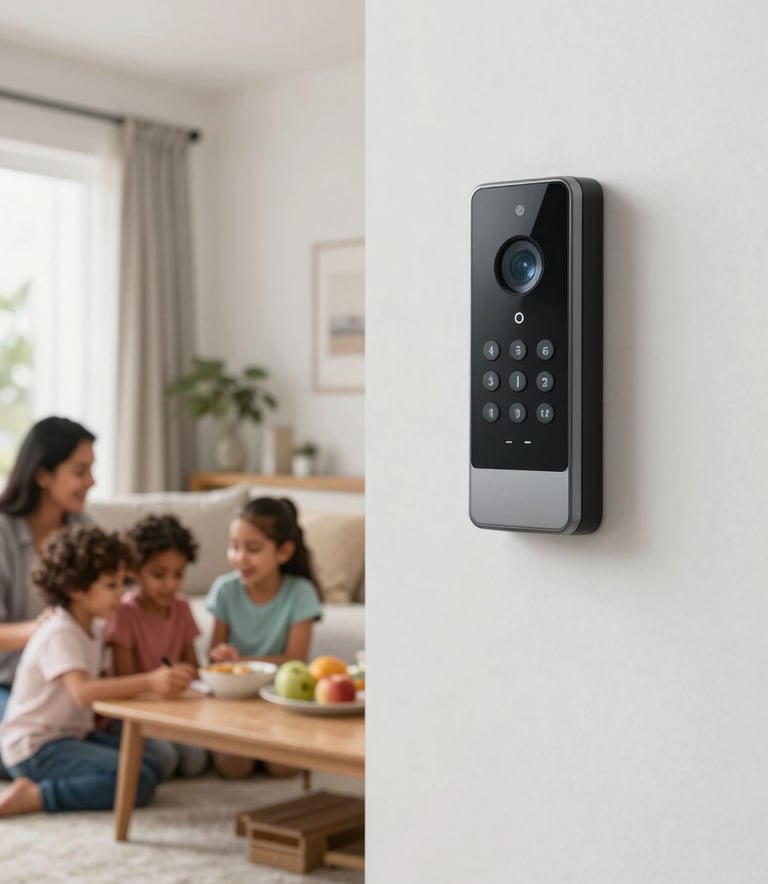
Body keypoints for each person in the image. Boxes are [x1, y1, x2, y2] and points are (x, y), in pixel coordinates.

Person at [0, 524, 195, 817]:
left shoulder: (95, 628)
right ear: (75, 589)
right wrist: (150, 681)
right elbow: (83, 693)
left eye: (121, 583)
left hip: (69, 737)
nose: (120, 594)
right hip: (36, 747)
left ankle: (54, 781)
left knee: (151, 763)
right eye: (110, 585)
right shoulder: (60, 631)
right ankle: (38, 796)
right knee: (138, 781)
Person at [0, 416, 97, 774]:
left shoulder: (83, 529)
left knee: (155, 755)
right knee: (20, 746)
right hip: (8, 682)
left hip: (68, 681)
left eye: (91, 470)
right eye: (80, 471)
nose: (91, 482)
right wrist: (40, 631)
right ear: (42, 475)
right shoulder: (3, 534)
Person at [206, 497, 322, 777]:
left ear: (283, 552)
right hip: (236, 700)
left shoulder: (301, 593)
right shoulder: (225, 590)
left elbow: (295, 659)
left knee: (284, 768)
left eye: (253, 549)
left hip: (279, 698)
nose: (240, 558)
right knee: (233, 768)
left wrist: (241, 662)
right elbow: (213, 656)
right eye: (234, 547)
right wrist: (220, 657)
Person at [104, 513, 208, 779]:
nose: (170, 584)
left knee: (195, 760)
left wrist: (186, 677)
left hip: (173, 707)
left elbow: (193, 668)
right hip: (136, 711)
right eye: (159, 574)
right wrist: (155, 684)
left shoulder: (182, 608)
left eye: (178, 574)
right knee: (167, 760)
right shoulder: (125, 613)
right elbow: (123, 681)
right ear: (136, 571)